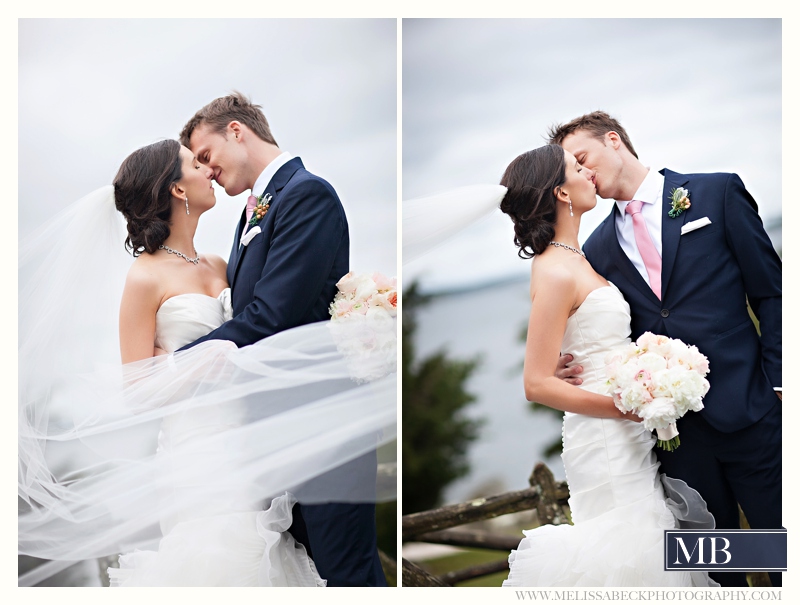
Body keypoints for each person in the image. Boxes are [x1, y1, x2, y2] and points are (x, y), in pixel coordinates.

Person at [18, 137, 396, 586]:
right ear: (177, 189)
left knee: (279, 561)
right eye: (194, 164)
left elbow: (263, 322)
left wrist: (183, 360)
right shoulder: (144, 277)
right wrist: (185, 366)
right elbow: (136, 390)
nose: (207, 170)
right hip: (202, 451)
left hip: (259, 441)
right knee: (224, 560)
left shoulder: (219, 264)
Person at [549, 111, 782, 587]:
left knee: (784, 550)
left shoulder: (717, 193)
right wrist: (566, 359)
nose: (582, 173)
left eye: (582, 157)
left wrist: (780, 384)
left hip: (755, 412)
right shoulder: (595, 250)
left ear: (613, 140)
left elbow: (772, 292)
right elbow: (605, 326)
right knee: (714, 573)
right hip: (674, 440)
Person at [176, 92, 387, 587]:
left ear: (236, 131)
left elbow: (271, 314)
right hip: (278, 434)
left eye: (206, 156)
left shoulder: (307, 194)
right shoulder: (253, 211)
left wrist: (172, 366)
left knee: (345, 575)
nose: (206, 170)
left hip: (327, 429)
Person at [488, 144, 716, 587]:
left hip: (624, 428)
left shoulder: (578, 258)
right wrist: (629, 408)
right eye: (578, 168)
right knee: (631, 550)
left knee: (650, 540)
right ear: (561, 193)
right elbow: (535, 384)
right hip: (604, 437)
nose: (589, 174)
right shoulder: (554, 270)